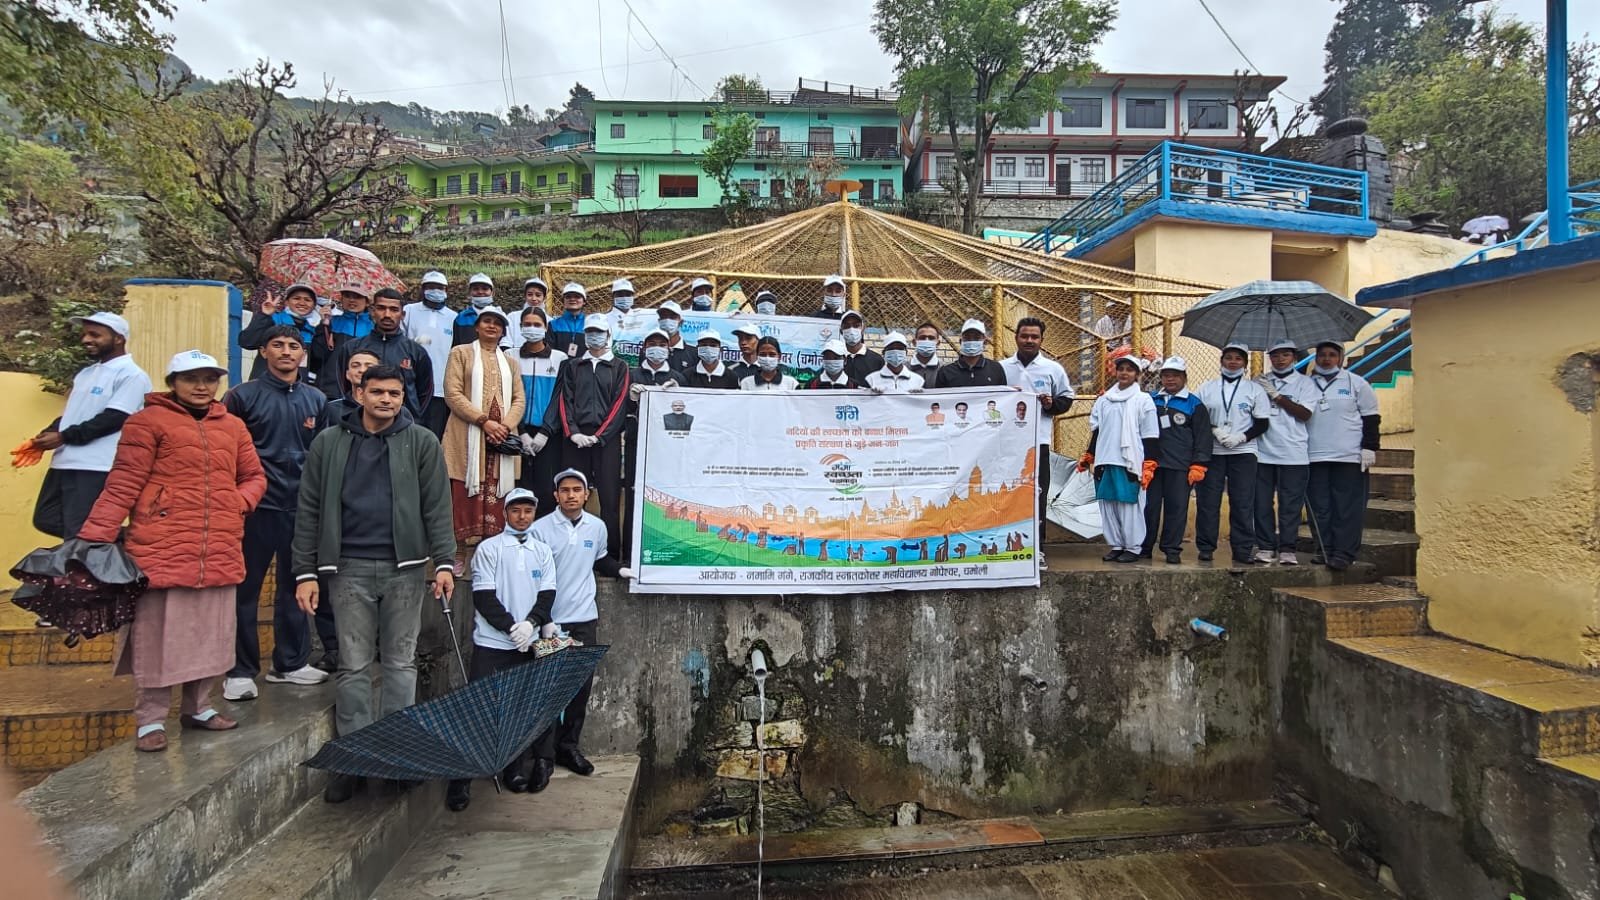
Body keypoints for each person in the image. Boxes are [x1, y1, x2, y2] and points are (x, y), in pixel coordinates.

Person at [79, 350, 267, 752]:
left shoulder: (233, 426)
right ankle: (150, 720)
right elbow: (123, 483)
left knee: (210, 636)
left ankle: (199, 707)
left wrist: (238, 503)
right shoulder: (146, 423)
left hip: (218, 546)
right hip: (161, 546)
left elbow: (253, 475)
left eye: (209, 378)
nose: (201, 386)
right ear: (172, 382)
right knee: (158, 637)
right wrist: (95, 536)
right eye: (191, 378)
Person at [294, 364, 455, 804]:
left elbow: (437, 506)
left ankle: (396, 756)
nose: (386, 400)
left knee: (401, 664)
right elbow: (309, 509)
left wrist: (444, 562)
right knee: (353, 665)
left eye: (395, 393)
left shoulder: (421, 442)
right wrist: (305, 572)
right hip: (348, 568)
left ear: (403, 398)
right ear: (359, 393)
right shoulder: (329, 442)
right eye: (378, 392)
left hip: (405, 568)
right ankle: (355, 759)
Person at [221, 326, 331, 702]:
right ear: (264, 351)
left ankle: (290, 663)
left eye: (294, 346)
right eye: (278, 345)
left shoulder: (316, 400)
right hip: (254, 508)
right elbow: (225, 452)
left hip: (300, 507)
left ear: (303, 354)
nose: (286, 351)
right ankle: (239, 670)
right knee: (245, 590)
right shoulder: (241, 396)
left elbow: (322, 455)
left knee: (295, 586)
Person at [445, 487, 558, 811]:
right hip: (493, 643)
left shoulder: (542, 551)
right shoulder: (489, 548)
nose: (522, 517)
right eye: (516, 510)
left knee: (521, 709)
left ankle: (513, 769)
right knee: (477, 712)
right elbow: (484, 597)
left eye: (528, 511)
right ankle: (460, 780)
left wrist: (531, 624)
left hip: (528, 642)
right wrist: (511, 627)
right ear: (505, 513)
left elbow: (547, 595)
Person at [528, 470, 630, 790]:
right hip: (551, 621)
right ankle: (543, 756)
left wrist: (622, 571)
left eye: (577, 490)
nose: (571, 495)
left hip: (584, 618)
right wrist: (542, 619)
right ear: (555, 495)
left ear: (587, 495)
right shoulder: (540, 529)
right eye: (565, 490)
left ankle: (568, 747)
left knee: (579, 687)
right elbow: (533, 576)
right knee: (547, 690)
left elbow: (599, 560)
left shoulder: (596, 527)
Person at [28, 312, 152, 548]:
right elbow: (75, 414)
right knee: (46, 519)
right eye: (85, 334)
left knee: (79, 531)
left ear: (118, 338)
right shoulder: (86, 373)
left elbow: (115, 418)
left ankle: (106, 557)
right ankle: (120, 540)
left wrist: (63, 436)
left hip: (96, 466)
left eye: (95, 334)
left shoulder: (132, 375)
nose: (86, 339)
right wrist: (47, 434)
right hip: (64, 462)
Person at [545, 314, 631, 558]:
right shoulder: (573, 365)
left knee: (609, 499)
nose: (595, 336)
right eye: (590, 332)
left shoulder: (620, 366)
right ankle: (569, 551)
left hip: (606, 442)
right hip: (575, 440)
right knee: (571, 494)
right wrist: (573, 433)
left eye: (599, 332)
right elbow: (565, 401)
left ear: (608, 335)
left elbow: (619, 404)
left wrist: (599, 436)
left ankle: (610, 555)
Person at [444, 306, 526, 549]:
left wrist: (505, 427)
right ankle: (459, 553)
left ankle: (492, 549)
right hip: (468, 434)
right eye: (487, 321)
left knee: (497, 492)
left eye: (497, 323)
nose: (492, 326)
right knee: (463, 493)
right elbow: (452, 393)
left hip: (501, 439)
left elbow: (519, 399)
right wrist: (483, 421)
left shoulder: (510, 363)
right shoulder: (461, 353)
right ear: (477, 327)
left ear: (503, 331)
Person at [1001, 316, 1075, 566]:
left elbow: (1066, 399)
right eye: (1025, 336)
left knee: (1036, 495)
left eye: (1034, 336)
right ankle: (1004, 546)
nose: (1029, 340)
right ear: (1016, 337)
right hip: (1006, 444)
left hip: (1037, 443)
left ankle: (1036, 549)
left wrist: (1051, 404)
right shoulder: (1002, 368)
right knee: (1005, 493)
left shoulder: (1053, 369)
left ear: (1042, 340)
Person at [1305, 340, 1380, 571]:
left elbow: (1371, 417)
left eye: (1332, 355)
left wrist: (1369, 447)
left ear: (1341, 358)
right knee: (1319, 506)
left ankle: (1344, 553)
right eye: (1322, 355)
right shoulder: (1305, 385)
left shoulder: (1356, 383)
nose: (1327, 359)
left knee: (1347, 507)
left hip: (1348, 456)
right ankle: (1324, 549)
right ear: (1316, 358)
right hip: (1314, 455)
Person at [1195, 342, 1271, 564]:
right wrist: (1215, 431)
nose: (1233, 362)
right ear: (1221, 361)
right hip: (1213, 452)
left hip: (1244, 452)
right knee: (1208, 502)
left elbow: (1262, 423)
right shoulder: (1207, 388)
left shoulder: (1254, 390)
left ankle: (1242, 549)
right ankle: (1206, 547)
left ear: (1245, 364)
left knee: (1242, 502)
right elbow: (1198, 419)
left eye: (1238, 359)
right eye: (1228, 358)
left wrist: (1241, 437)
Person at [1078, 356, 1159, 564]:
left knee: (1129, 505)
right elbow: (1098, 431)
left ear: (1137, 374)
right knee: (1108, 504)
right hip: (1105, 459)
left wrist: (1149, 464)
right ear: (1115, 372)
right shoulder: (1104, 400)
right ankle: (1116, 545)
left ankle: (1133, 547)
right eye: (1121, 368)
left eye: (1129, 370)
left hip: (1129, 462)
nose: (1124, 373)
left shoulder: (1143, 400)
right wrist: (1090, 455)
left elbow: (1150, 435)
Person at [1141, 357, 1211, 565]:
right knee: (1148, 508)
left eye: (1175, 375)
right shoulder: (1150, 399)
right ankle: (1144, 547)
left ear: (1184, 378)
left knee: (1177, 509)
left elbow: (1203, 437)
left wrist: (1199, 464)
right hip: (1152, 466)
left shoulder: (1194, 404)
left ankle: (1171, 549)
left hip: (1180, 466)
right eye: (1166, 375)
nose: (1170, 379)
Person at [1253, 340, 1316, 565]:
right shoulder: (1259, 381)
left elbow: (1304, 414)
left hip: (1293, 453)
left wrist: (1276, 396)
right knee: (1261, 503)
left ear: (1294, 357)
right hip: (1262, 452)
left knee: (1290, 504)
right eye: (1275, 355)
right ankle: (1266, 546)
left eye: (1285, 355)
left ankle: (1288, 548)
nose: (1280, 359)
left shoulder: (1305, 383)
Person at [338, 288, 434, 420]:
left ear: (403, 314)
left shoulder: (416, 351)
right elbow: (343, 385)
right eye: (381, 308)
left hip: (403, 422)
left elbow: (425, 392)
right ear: (372, 311)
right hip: (360, 421)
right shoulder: (352, 347)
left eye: (394, 310)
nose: (387, 314)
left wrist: (413, 416)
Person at [514, 307, 567, 513]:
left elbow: (559, 398)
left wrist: (545, 431)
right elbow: (508, 396)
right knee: (520, 484)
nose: (532, 328)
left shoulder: (560, 358)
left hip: (549, 433)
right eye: (527, 324)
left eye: (537, 324)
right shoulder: (510, 356)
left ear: (545, 328)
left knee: (546, 487)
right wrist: (521, 431)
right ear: (520, 327)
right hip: (518, 431)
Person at [402, 270, 457, 437]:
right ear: (422, 289)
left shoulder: (453, 317)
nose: (435, 291)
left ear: (446, 291)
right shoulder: (409, 311)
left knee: (434, 433)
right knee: (409, 429)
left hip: (440, 387)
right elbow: (398, 341)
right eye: (430, 287)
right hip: (411, 384)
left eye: (440, 288)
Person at [240, 284, 319, 380]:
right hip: (265, 384)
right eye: (296, 298)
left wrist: (325, 325)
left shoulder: (313, 329)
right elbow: (247, 342)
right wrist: (264, 315)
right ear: (286, 302)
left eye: (307, 300)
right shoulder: (272, 320)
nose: (302, 303)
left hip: (296, 386)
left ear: (314, 305)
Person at [310, 284, 374, 400]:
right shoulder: (331, 322)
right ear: (341, 299)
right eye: (347, 296)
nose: (352, 300)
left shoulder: (374, 329)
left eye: (357, 297)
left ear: (367, 302)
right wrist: (323, 325)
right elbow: (317, 355)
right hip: (329, 390)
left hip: (362, 393)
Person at [932, 319, 1008, 388]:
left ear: (985, 342)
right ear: (961, 341)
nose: (971, 341)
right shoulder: (946, 372)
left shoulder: (996, 369)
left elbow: (1003, 396)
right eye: (967, 338)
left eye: (976, 338)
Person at [319, 348, 381, 429]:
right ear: (347, 374)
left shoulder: (389, 407)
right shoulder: (330, 409)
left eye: (369, 366)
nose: (362, 370)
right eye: (355, 366)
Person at [452, 273, 500, 347]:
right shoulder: (461, 317)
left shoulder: (500, 316)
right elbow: (456, 345)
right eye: (475, 289)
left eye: (485, 289)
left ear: (492, 293)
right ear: (469, 292)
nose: (480, 292)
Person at [838, 311, 883, 383]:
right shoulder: (835, 359)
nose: (851, 330)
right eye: (847, 326)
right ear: (841, 330)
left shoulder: (876, 360)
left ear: (863, 328)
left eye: (856, 326)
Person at [548, 282, 589, 359]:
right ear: (563, 301)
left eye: (577, 296)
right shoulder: (553, 325)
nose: (572, 299)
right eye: (568, 297)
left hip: (584, 365)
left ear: (584, 301)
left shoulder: (590, 324)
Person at [655, 301, 696, 371]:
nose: (667, 320)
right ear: (659, 321)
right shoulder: (649, 351)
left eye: (672, 317)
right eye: (664, 317)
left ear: (681, 322)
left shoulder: (693, 353)